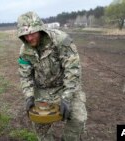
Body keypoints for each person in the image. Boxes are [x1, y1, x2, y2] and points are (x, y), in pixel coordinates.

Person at [17, 11, 87, 141]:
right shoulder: (24, 51)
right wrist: (29, 96)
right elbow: (25, 76)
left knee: (78, 118)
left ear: (40, 29)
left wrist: (66, 97)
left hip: (65, 87)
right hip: (43, 90)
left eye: (32, 33)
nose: (29, 38)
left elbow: (72, 70)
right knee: (39, 123)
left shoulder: (61, 40)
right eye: (25, 35)